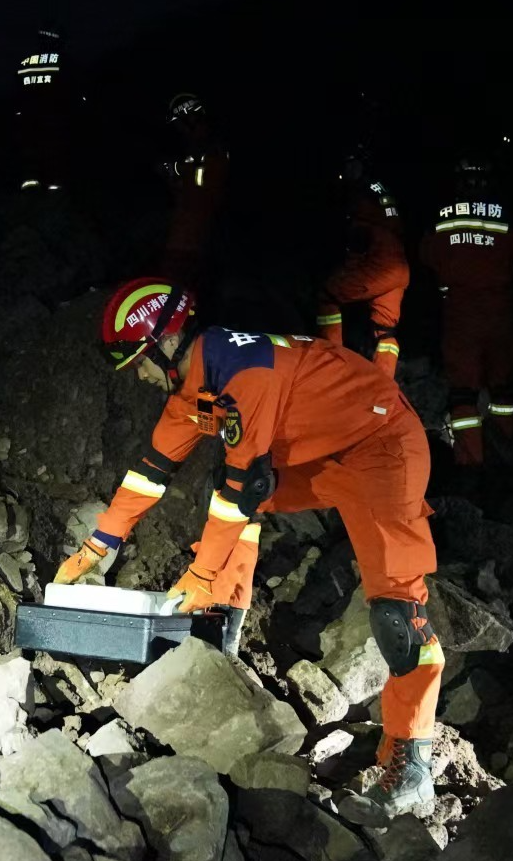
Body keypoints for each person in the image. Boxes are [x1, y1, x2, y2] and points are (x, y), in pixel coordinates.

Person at [57, 278, 445, 819]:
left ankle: (413, 762)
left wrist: (201, 570)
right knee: (238, 485)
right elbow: (151, 470)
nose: (141, 378)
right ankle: (222, 633)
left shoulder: (245, 374)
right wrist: (99, 543)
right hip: (321, 452)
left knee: (397, 618)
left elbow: (241, 490)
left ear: (167, 343)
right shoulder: (194, 384)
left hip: (383, 451)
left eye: (140, 363)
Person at [417, 156, 513, 468]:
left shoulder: (443, 215)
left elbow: (427, 256)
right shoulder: (508, 215)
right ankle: (503, 454)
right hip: (501, 314)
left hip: (460, 314)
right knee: (502, 390)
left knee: (462, 393)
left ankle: (470, 464)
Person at [317, 150, 409, 379]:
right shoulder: (383, 191)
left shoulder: (359, 192)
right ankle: (383, 386)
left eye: (350, 166)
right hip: (400, 266)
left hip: (378, 264)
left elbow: (359, 239)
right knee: (385, 331)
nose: (346, 172)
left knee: (327, 295)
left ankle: (332, 362)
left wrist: (349, 269)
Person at [160, 93, 230, 288]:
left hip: (193, 242)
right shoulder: (192, 152)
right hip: (187, 240)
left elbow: (200, 192)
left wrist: (176, 173)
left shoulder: (210, 151)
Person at [14, 27, 67, 191]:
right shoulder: (62, 61)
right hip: (53, 114)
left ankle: (30, 181)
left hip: (28, 115)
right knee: (52, 148)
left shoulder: (26, 61)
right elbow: (72, 89)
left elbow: (16, 91)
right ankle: (53, 183)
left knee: (31, 148)